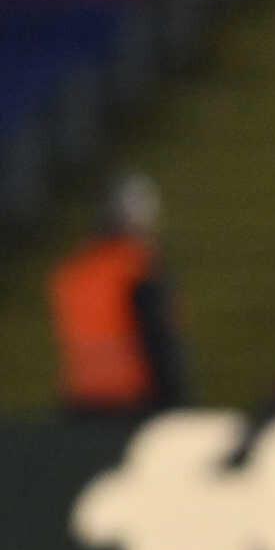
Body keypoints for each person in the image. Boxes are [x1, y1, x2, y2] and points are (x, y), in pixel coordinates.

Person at [47, 171, 190, 417]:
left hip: (80, 403)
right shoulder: (136, 267)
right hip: (133, 402)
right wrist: (178, 403)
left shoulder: (73, 272)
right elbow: (159, 342)